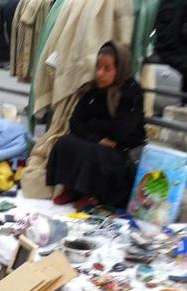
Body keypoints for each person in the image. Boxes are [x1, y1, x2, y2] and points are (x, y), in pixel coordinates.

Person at [46, 41, 146, 210]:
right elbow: (75, 122)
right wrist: (97, 137)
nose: (100, 73)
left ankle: (94, 195)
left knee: (94, 152)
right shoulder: (93, 90)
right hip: (101, 143)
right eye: (98, 67)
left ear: (119, 69)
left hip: (123, 153)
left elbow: (120, 131)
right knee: (65, 142)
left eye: (107, 69)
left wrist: (92, 125)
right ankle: (74, 189)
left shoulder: (130, 92)